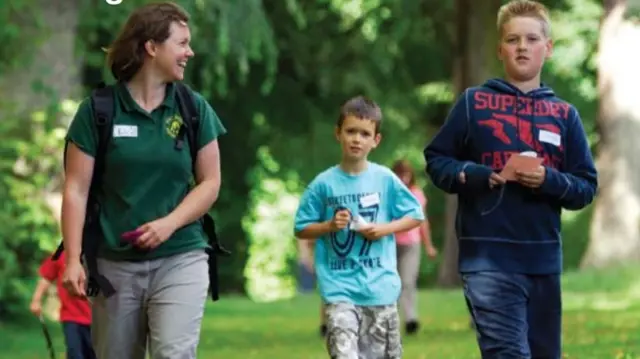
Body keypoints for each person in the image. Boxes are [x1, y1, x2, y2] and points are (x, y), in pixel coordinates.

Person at [423, 1, 597, 358]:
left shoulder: (565, 115)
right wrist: (485, 176)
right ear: (500, 48)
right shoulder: (473, 103)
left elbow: (585, 186)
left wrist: (547, 179)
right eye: (513, 39)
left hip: (543, 262)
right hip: (488, 262)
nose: (522, 46)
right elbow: (437, 160)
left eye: (532, 39)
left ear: (547, 49)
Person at [60, 2, 226, 359]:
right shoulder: (98, 112)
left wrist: (169, 224)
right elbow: (75, 189)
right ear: (152, 47)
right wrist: (73, 259)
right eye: (181, 43)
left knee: (174, 354)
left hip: (181, 256)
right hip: (113, 265)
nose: (189, 52)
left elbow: (210, 182)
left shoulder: (194, 109)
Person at [294, 96, 425, 358]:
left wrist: (384, 229)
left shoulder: (385, 179)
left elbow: (415, 215)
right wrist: (329, 226)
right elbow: (301, 228)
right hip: (339, 290)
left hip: (380, 291)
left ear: (376, 140)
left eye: (365, 134)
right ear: (338, 133)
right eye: (351, 131)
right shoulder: (323, 184)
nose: (357, 139)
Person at [390, 159, 438, 335]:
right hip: (390, 242)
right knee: (391, 283)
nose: (404, 179)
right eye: (400, 175)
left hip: (411, 244)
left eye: (406, 175)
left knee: (408, 281)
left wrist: (429, 245)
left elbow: (422, 221)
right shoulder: (389, 192)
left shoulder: (416, 194)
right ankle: (391, 319)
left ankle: (411, 318)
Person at [30, 251, 97, 359]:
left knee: (94, 354)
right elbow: (46, 277)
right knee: (74, 352)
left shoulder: (100, 252)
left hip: (98, 318)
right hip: (71, 316)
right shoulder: (62, 253)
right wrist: (36, 300)